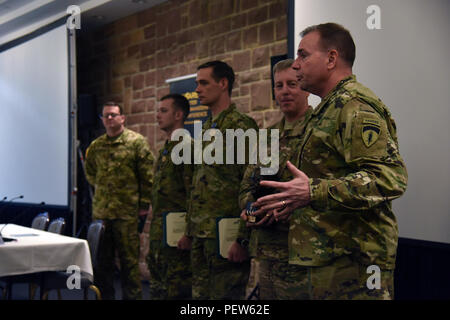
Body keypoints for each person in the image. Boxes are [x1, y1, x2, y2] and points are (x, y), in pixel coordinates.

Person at [252, 23, 408, 299]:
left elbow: (389, 179)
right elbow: (325, 177)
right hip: (329, 261)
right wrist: (295, 201)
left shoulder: (354, 106)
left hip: (355, 264)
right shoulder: (328, 108)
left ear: (332, 59)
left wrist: (312, 191)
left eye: (303, 56)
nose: (296, 65)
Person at [180, 60, 258, 300]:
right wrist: (189, 231)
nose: (198, 90)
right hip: (202, 238)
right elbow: (198, 184)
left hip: (225, 238)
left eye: (204, 83)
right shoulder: (204, 129)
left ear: (223, 84)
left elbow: (254, 186)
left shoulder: (242, 126)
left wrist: (243, 239)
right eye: (196, 84)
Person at [239, 59, 312, 299]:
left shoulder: (319, 131)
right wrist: (251, 212)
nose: (285, 91)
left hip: (303, 254)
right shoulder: (268, 136)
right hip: (267, 251)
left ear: (305, 87)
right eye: (279, 85)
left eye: (292, 83)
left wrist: (283, 207)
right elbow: (248, 186)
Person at [84, 101, 154, 300]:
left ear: (122, 118)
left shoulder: (136, 142)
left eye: (113, 115)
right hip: (102, 216)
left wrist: (143, 206)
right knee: (102, 266)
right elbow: (90, 175)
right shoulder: (96, 147)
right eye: (105, 115)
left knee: (129, 266)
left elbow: (147, 177)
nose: (109, 118)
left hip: (127, 215)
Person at [147, 93, 193, 299]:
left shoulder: (186, 148)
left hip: (178, 235)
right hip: (160, 232)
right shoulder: (167, 148)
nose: (158, 115)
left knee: (177, 290)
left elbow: (194, 193)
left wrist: (189, 233)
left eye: (163, 111)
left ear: (178, 115)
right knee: (158, 288)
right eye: (158, 111)